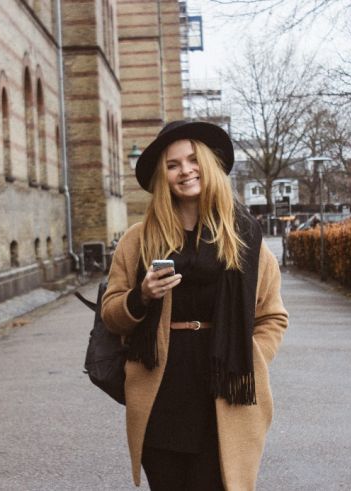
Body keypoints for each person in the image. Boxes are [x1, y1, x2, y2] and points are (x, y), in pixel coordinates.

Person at [101, 120, 289, 490]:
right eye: (173, 165)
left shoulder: (244, 239)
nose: (185, 170)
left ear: (208, 164)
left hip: (225, 394)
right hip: (161, 396)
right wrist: (141, 296)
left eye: (192, 160)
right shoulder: (138, 240)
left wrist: (251, 357)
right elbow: (111, 314)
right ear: (162, 176)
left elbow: (272, 316)